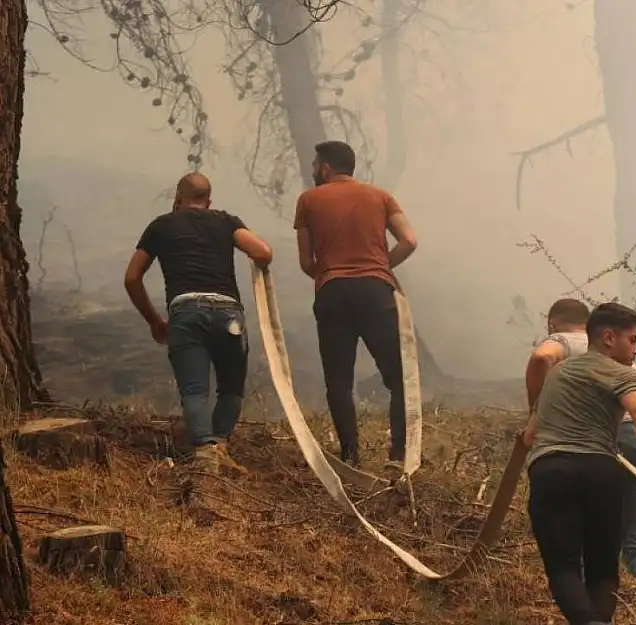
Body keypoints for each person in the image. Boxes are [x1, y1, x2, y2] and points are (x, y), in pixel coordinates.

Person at [523, 299, 636, 624]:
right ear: (608, 338)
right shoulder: (622, 373)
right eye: (633, 340)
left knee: (564, 567)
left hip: (551, 472)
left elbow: (532, 432)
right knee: (603, 571)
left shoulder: (558, 373)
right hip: (601, 473)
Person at [123, 172, 273, 474]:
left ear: (178, 200)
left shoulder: (161, 225)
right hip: (228, 314)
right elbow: (263, 252)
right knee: (230, 389)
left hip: (186, 312)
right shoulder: (226, 221)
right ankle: (220, 444)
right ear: (208, 200)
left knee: (194, 390)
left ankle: (206, 453)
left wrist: (154, 321)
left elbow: (132, 277)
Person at [293, 140, 418, 469]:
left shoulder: (308, 200)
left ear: (326, 168)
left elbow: (306, 262)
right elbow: (410, 240)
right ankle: (398, 455)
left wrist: (331, 274)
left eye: (314, 165)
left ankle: (350, 456)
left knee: (339, 379)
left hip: (333, 291)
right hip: (377, 290)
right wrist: (381, 266)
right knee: (398, 377)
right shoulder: (381, 196)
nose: (313, 171)